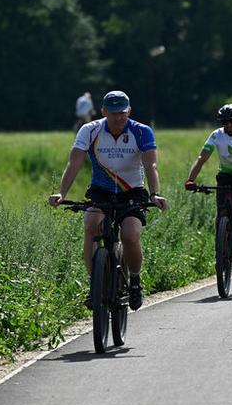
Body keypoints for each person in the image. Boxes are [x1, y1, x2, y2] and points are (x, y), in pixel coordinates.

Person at [49, 90, 168, 310]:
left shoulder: (141, 132)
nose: (118, 118)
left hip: (132, 191)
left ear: (129, 111)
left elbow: (151, 166)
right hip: (101, 191)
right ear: (103, 111)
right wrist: (62, 193)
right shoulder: (90, 130)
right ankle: (94, 284)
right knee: (91, 226)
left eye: (122, 113)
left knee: (130, 235)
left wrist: (155, 193)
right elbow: (74, 162)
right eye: (113, 113)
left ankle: (134, 280)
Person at [184, 104, 232, 253]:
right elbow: (202, 158)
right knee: (221, 213)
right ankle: (222, 248)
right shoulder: (216, 135)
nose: (228, 125)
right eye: (224, 122)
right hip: (226, 174)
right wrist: (191, 180)